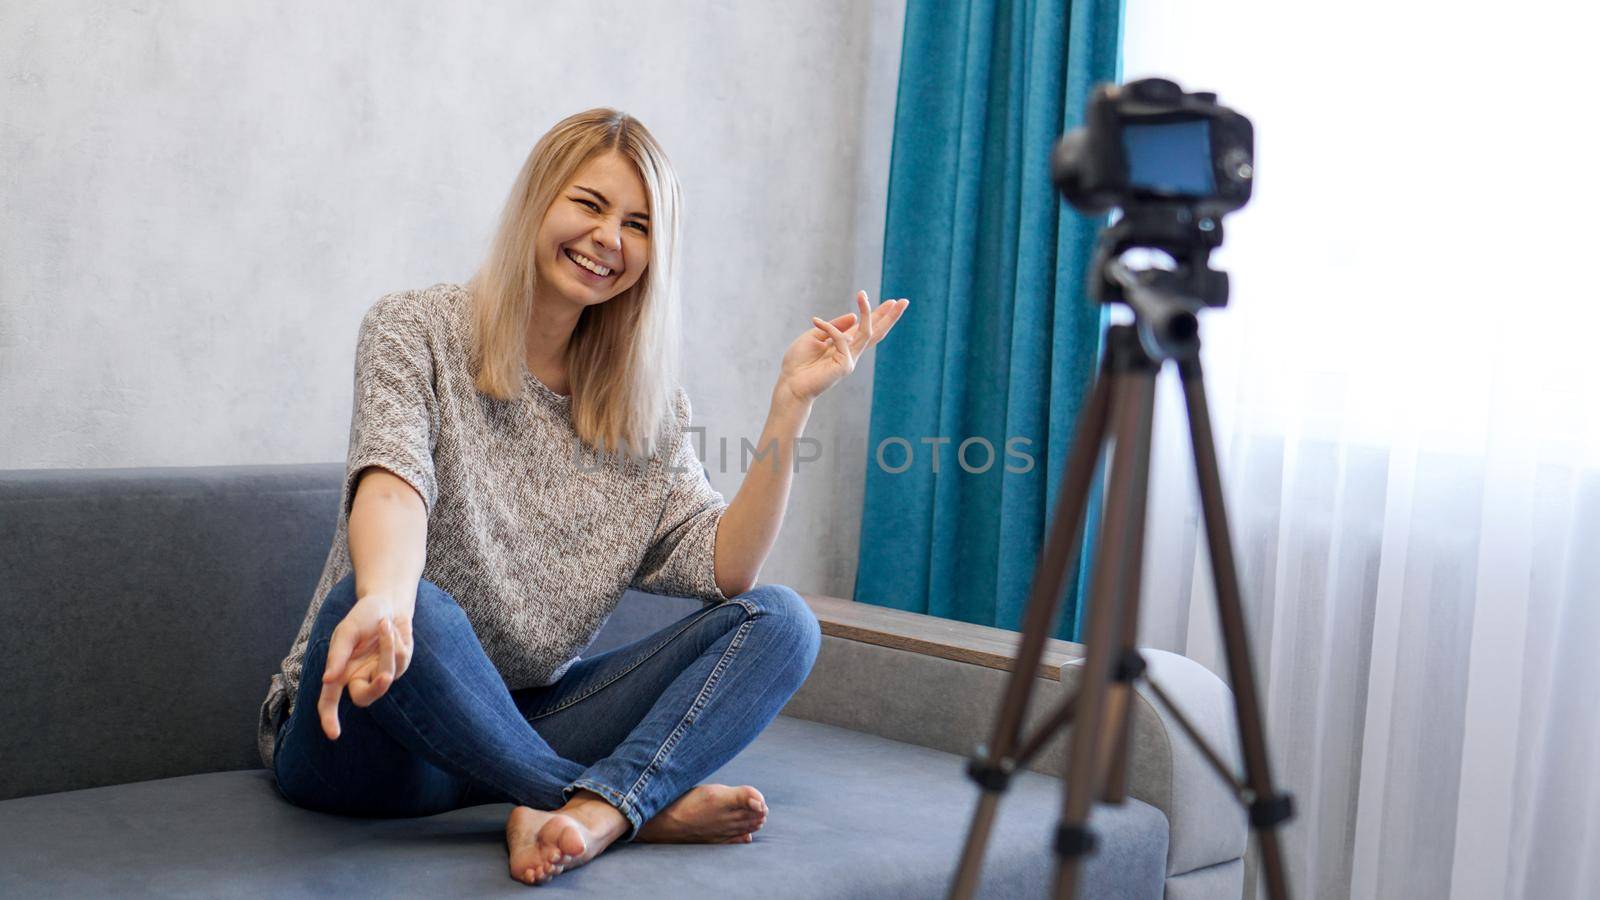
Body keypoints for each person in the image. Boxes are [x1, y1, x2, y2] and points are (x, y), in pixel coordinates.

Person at [257, 107, 909, 886]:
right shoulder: (415, 329)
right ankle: (619, 803)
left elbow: (727, 567)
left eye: (638, 224)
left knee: (784, 620)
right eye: (590, 205)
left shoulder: (648, 411)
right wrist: (387, 600)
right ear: (538, 201)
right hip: (369, 721)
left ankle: (570, 805)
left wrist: (791, 404)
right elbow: (395, 484)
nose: (609, 238)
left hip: (520, 719)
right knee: (416, 610)